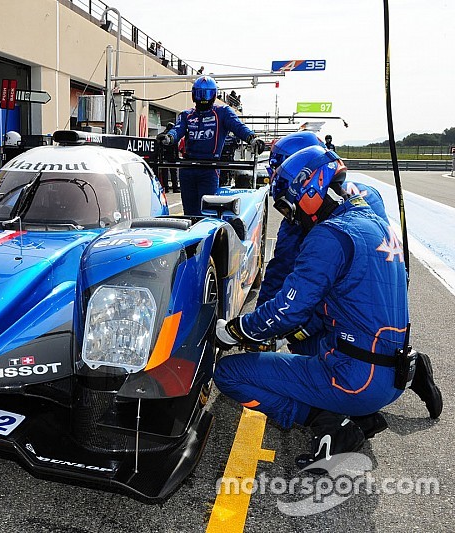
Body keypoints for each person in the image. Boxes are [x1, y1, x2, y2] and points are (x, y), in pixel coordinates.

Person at [213, 145, 439, 470]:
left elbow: (287, 310)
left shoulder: (329, 235)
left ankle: (326, 419)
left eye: (292, 208)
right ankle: (355, 410)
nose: (293, 216)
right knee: (307, 337)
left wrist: (236, 331)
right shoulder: (376, 221)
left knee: (228, 373)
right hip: (395, 373)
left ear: (310, 188)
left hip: (356, 379)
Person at [258, 131, 442, 419]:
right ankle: (410, 367)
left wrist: (263, 327)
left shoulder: (306, 213)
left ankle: (340, 410)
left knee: (301, 336)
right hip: (385, 304)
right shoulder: (367, 195)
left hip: (343, 307)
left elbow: (283, 270)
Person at [157, 75, 264, 215]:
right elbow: (177, 130)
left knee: (206, 212)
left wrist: (252, 138)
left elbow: (239, 127)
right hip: (187, 167)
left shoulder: (223, 112)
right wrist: (168, 138)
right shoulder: (186, 115)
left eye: (207, 93)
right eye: (200, 93)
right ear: (193, 95)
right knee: (189, 213)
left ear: (214, 95)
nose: (203, 98)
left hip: (210, 168)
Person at [157, 122, 180, 193]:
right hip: (172, 157)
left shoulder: (160, 136)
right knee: (173, 173)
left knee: (165, 173)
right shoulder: (172, 137)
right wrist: (177, 157)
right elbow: (176, 149)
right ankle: (175, 188)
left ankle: (165, 188)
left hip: (163, 156)